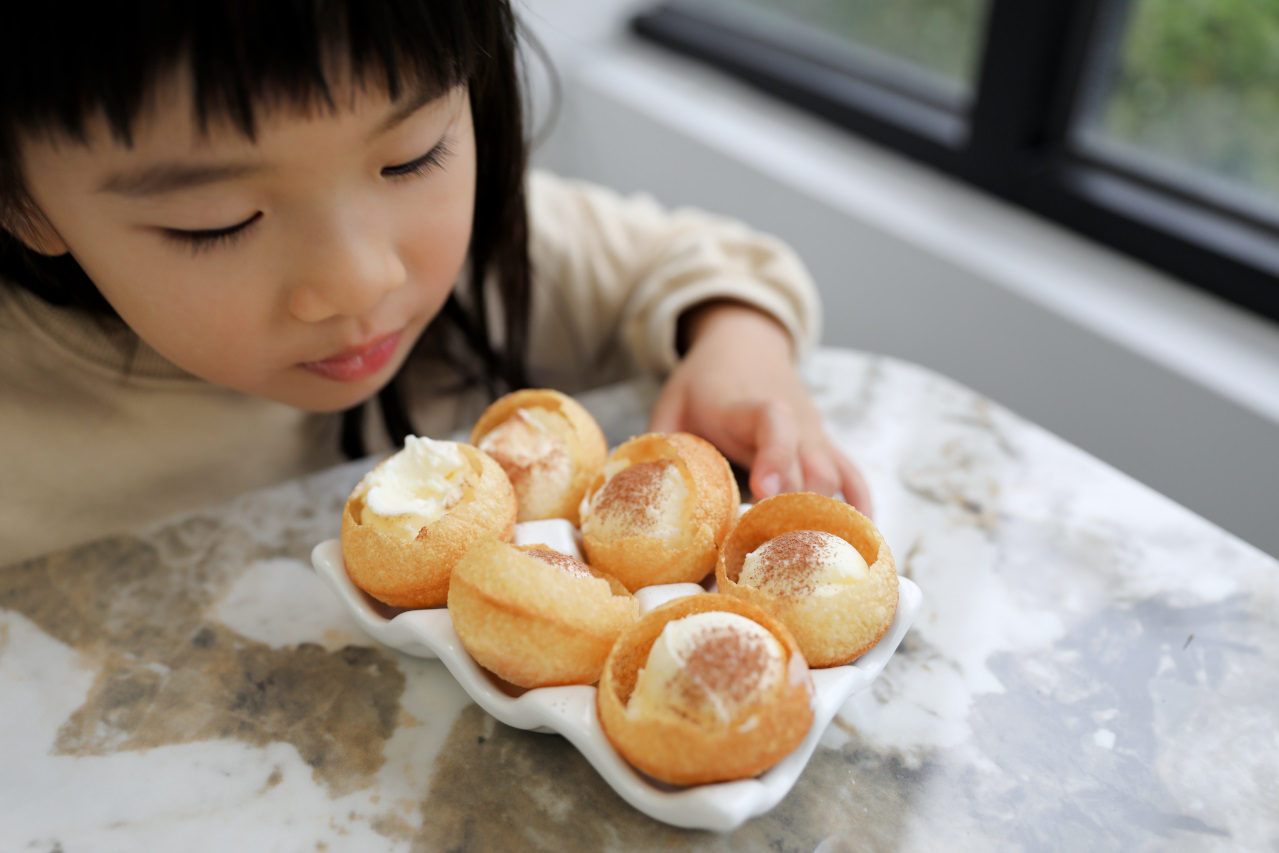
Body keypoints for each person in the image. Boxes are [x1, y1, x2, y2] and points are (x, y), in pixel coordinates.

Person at [0, 0, 871, 566]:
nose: (358, 280)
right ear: (21, 199)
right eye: (219, 220)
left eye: (413, 155)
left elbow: (708, 261)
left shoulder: (494, 257)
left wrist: (738, 351)